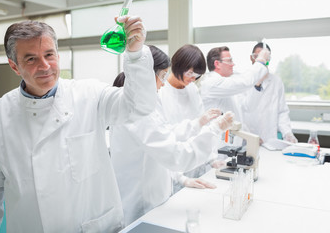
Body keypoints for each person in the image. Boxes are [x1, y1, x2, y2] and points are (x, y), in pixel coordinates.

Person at [0, 16, 157, 233]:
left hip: (92, 227)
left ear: (58, 55)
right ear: (14, 66)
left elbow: (140, 106)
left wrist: (135, 54)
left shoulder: (90, 95)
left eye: (49, 55)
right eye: (31, 59)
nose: (45, 66)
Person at [110, 45, 234, 226]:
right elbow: (176, 155)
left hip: (155, 196)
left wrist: (198, 123)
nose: (163, 82)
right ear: (145, 75)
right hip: (141, 203)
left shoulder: (147, 105)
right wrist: (214, 129)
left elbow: (167, 134)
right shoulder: (137, 111)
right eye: (161, 76)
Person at [157, 44, 213, 193]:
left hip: (196, 166)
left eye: (197, 76)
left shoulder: (192, 89)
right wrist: (181, 178)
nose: (193, 79)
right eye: (190, 74)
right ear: (177, 65)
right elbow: (162, 141)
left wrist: (212, 159)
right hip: (173, 170)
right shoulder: (161, 92)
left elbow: (201, 127)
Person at [241, 42, 297, 144]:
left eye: (265, 57)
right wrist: (250, 136)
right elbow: (240, 112)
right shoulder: (244, 80)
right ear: (251, 58)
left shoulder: (276, 81)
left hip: (270, 138)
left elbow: (282, 112)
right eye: (257, 56)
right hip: (248, 139)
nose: (262, 60)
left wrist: (287, 133)